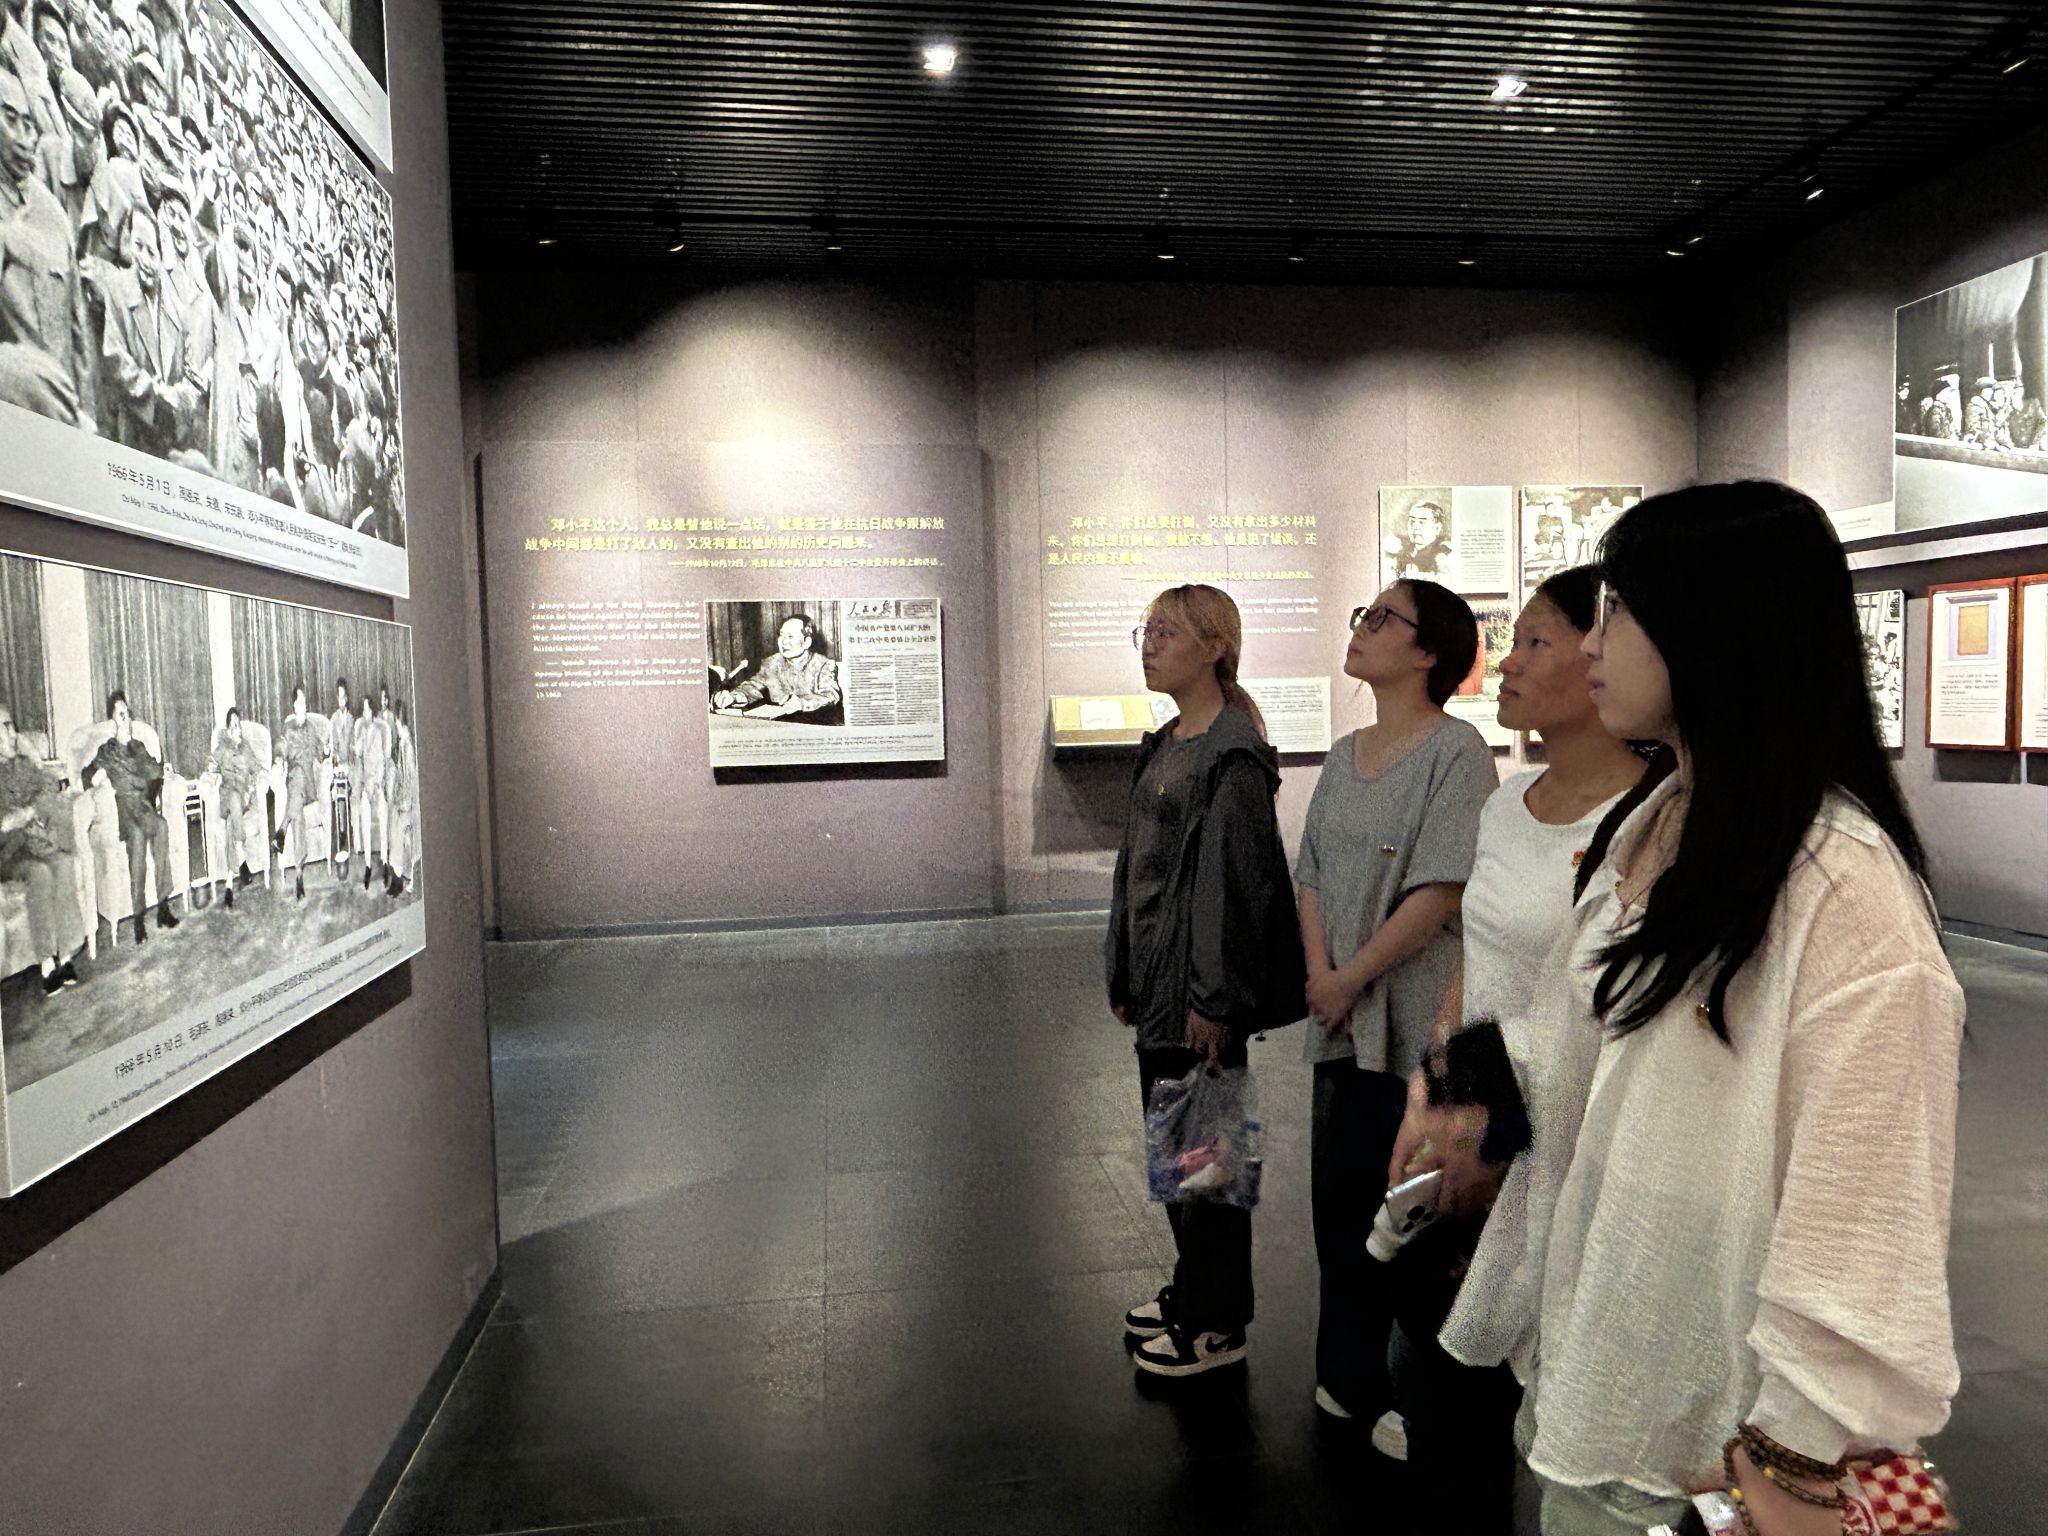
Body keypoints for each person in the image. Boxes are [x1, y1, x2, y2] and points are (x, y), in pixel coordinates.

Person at [1438, 482, 1964, 1536]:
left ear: (1718, 627)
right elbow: (1601, 1047)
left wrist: (1786, 1454)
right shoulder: (1660, 818)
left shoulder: (1841, 888)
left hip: (1715, 1448)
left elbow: (1863, 1211)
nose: (1594, 641)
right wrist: (1475, 1091)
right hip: (1606, 1358)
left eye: (1622, 609)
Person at [1377, 567, 1651, 1532]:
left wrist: (1501, 1124)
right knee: (1434, 1372)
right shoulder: (1507, 803)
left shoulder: (1650, 827)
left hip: (1564, 1145)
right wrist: (1432, 1087)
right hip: (1471, 1129)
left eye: (1537, 641)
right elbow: (1477, 956)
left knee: (1551, 1392)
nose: (1510, 662)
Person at [1293, 579, 1495, 1450]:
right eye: (1364, 615)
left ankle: (1422, 1396)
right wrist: (1321, 974)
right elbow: (1309, 873)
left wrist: (1350, 978)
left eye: (1383, 618)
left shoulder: (1458, 752)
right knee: (1339, 1208)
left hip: (1417, 1024)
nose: (1363, 628)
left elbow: (1441, 888)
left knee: (1415, 1213)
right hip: (1340, 1021)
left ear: (1428, 652)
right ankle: (1348, 1375)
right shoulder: (1344, 754)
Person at [1108, 584, 1305, 1379]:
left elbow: (1237, 889)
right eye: (1146, 630)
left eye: (1167, 631)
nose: (1150, 645)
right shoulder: (1170, 742)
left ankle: (1219, 1323)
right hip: (1162, 984)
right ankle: (1195, 1289)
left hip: (1197, 996)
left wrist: (1215, 1000)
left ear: (1215, 646)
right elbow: (1140, 872)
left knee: (1207, 1159)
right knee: (1179, 1147)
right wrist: (1124, 965)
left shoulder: (1230, 754)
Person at [0, 699, 86, 992]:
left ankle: (66, 955)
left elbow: (50, 784)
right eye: (6, 727)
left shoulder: (22, 765)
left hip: (34, 841)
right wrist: (12, 821)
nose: (13, 734)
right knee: (40, 873)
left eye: (12, 727)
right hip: (9, 852)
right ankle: (47, 962)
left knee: (64, 862)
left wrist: (29, 811)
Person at [83, 690, 178, 943]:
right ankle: (138, 917)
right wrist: (96, 778)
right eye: (121, 715)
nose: (126, 719)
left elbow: (153, 770)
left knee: (162, 826)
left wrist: (164, 769)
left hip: (143, 805)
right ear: (113, 721)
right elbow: (87, 775)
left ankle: (163, 906)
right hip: (124, 808)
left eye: (128, 714)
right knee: (136, 839)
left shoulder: (138, 747)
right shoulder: (108, 750)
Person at [713, 613, 842, 722]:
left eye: (790, 636)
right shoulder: (771, 663)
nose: (784, 642)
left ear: (806, 642)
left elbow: (830, 696)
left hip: (813, 723)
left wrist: (801, 703)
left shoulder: (823, 664)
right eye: (781, 635)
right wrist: (735, 697)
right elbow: (753, 686)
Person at [207, 703, 263, 907]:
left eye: (237, 724)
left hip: (242, 797)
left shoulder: (246, 748)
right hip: (227, 795)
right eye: (231, 725)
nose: (234, 728)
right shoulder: (223, 747)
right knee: (232, 800)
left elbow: (258, 768)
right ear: (227, 729)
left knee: (232, 820)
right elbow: (210, 762)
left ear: (240, 727)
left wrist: (253, 785)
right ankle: (241, 858)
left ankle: (230, 882)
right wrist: (211, 769)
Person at [272, 682, 321, 900]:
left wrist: (327, 750)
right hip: (294, 781)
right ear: (294, 705)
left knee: (299, 784)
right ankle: (299, 875)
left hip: (307, 784)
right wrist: (278, 757)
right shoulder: (289, 729)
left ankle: (281, 831)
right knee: (298, 814)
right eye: (300, 701)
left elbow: (321, 751)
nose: (304, 705)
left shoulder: (311, 728)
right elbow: (280, 745)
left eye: (305, 701)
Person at [350, 689, 386, 892]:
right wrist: (356, 750)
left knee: (382, 812)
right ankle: (367, 865)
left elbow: (381, 762)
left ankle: (385, 862)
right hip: (366, 785)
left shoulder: (379, 733)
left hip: (378, 785)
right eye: (363, 711)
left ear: (372, 712)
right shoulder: (362, 732)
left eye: (367, 710)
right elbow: (359, 759)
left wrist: (377, 784)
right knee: (364, 815)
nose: (365, 714)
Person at [384, 697, 417, 896]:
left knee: (400, 829)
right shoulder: (402, 743)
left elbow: (411, 780)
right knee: (395, 825)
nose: (396, 729)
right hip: (404, 802)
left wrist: (404, 803)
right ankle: (399, 876)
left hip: (411, 805)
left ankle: (401, 878)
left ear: (401, 723)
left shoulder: (408, 747)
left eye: (396, 724)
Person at [1383, 500, 1451, 580]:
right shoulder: (1399, 548)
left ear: (1437, 528)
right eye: (1412, 521)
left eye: (1421, 522)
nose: (1415, 527)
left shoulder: (1445, 555)